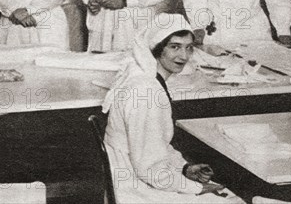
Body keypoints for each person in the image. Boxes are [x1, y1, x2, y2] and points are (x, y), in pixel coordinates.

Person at [102, 13, 243, 203]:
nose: (183, 56)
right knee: (232, 200)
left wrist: (184, 168)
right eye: (174, 47)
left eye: (189, 48)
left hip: (138, 177)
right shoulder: (146, 93)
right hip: (134, 189)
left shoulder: (147, 79)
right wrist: (194, 187)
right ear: (158, 48)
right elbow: (149, 168)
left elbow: (154, 146)